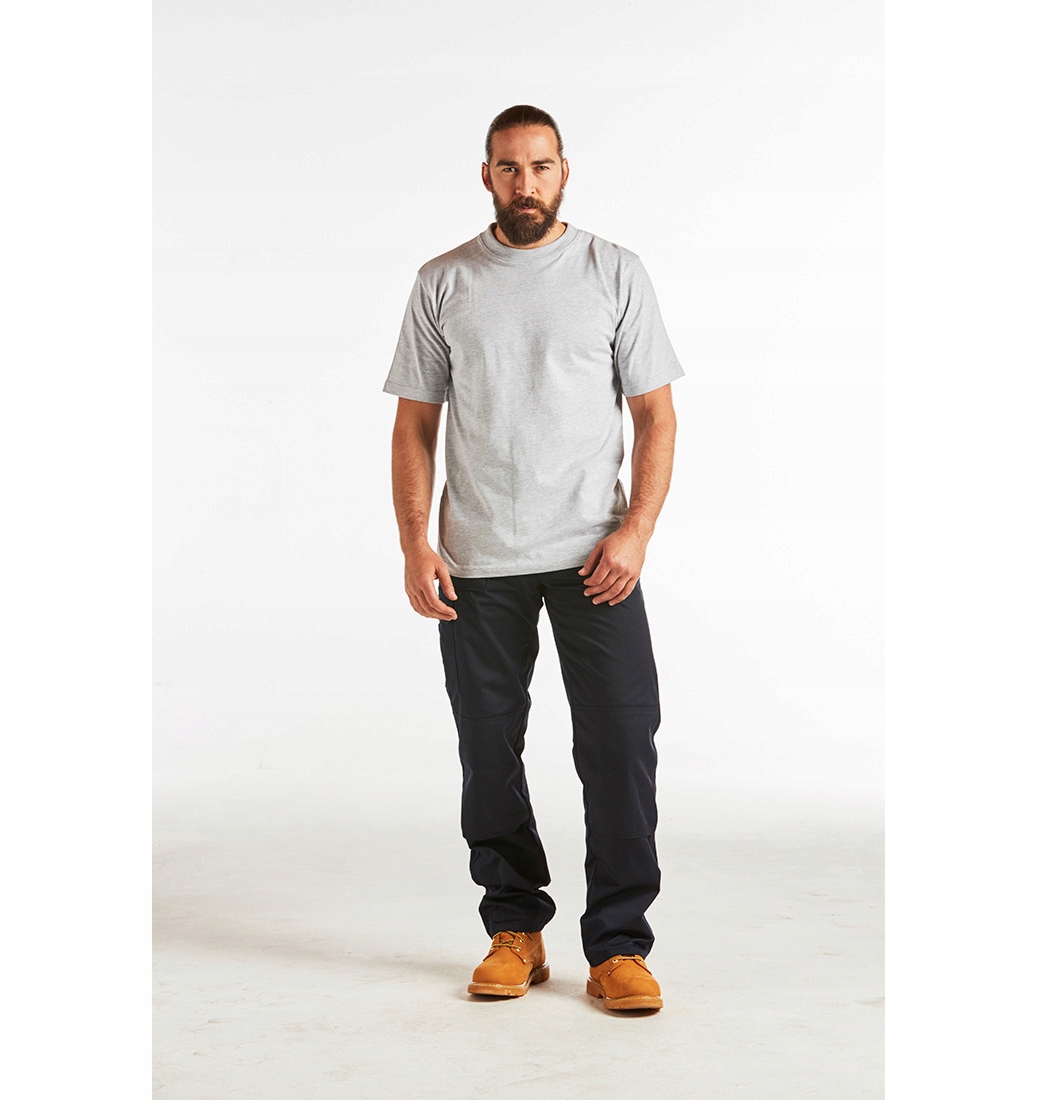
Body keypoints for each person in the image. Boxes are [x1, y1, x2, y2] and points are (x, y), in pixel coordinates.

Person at [384, 104, 684, 1013]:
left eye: (541, 167)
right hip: (478, 560)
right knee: (489, 750)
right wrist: (415, 543)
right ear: (487, 175)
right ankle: (514, 928)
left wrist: (636, 530)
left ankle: (619, 945)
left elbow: (656, 416)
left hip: (598, 555)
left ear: (564, 171)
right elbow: (414, 426)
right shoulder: (444, 281)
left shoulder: (614, 271)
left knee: (621, 743)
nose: (526, 184)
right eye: (509, 168)